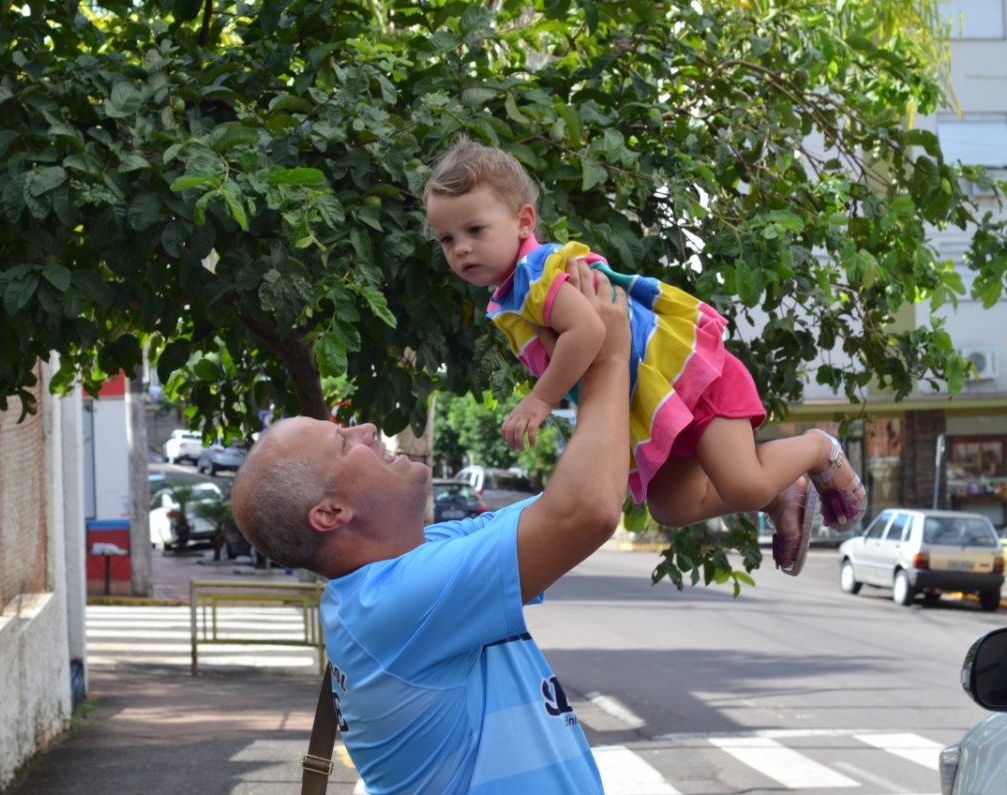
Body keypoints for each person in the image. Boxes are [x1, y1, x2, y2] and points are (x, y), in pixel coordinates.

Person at [232, 259, 629, 793]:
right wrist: (609, 357)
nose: (368, 429)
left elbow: (576, 498)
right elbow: (586, 513)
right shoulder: (397, 603)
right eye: (344, 442)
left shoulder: (416, 562)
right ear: (330, 514)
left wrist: (765, 484)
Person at [422, 137, 867, 576]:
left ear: (524, 221)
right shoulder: (516, 292)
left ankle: (817, 449)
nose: (461, 248)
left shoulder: (537, 273)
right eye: (446, 239)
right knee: (672, 506)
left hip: (692, 385)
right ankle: (782, 493)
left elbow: (589, 331)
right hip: (656, 405)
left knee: (744, 486)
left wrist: (540, 400)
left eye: (475, 230)